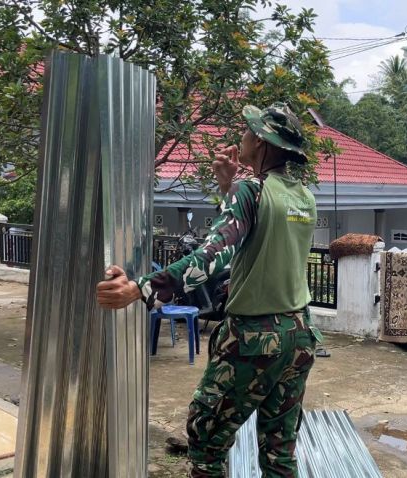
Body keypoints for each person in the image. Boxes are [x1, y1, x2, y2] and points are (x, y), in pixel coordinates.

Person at [96, 103, 322, 477]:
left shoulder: (251, 190)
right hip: (299, 334)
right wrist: (226, 187)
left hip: (253, 339)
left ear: (262, 143)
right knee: (279, 450)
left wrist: (140, 288)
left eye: (248, 131)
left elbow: (212, 256)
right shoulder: (303, 197)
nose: (242, 137)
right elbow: (260, 240)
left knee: (206, 440)